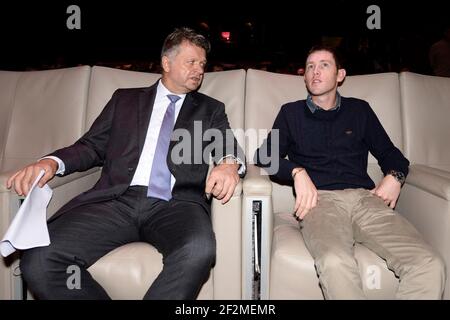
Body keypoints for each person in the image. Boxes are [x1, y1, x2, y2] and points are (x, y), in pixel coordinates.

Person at [6, 27, 245, 300]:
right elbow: (91, 146)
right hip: (116, 200)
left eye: (202, 64)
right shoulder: (125, 100)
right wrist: (51, 162)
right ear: (166, 63)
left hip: (177, 204)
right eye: (191, 62)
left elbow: (228, 146)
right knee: (39, 259)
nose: (199, 70)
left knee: (198, 250)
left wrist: (228, 164)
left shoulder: (209, 108)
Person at [255, 45, 445, 299]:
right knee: (334, 262)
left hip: (366, 200)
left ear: (340, 75)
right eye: (310, 66)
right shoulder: (291, 113)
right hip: (320, 202)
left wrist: (395, 176)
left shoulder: (360, 110)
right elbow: (264, 156)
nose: (315, 71)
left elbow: (391, 154)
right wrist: (297, 172)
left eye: (324, 65)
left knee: (428, 264)